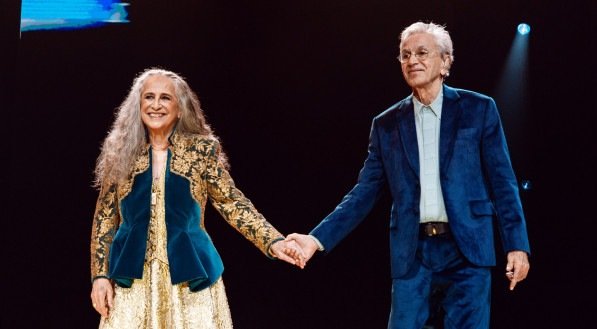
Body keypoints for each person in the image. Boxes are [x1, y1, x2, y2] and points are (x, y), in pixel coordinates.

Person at [287, 21, 530, 328]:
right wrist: (315, 239)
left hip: (468, 249)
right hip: (414, 253)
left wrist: (516, 244)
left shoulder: (478, 109)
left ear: (444, 62)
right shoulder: (386, 124)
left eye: (421, 52)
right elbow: (362, 193)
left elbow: (503, 182)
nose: (412, 60)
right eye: (405, 55)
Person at [89, 68, 305, 328]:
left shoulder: (201, 152)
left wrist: (273, 241)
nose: (156, 105)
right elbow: (104, 218)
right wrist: (100, 276)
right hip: (132, 282)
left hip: (191, 278)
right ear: (138, 105)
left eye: (165, 98)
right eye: (149, 97)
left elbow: (232, 203)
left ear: (180, 109)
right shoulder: (120, 153)